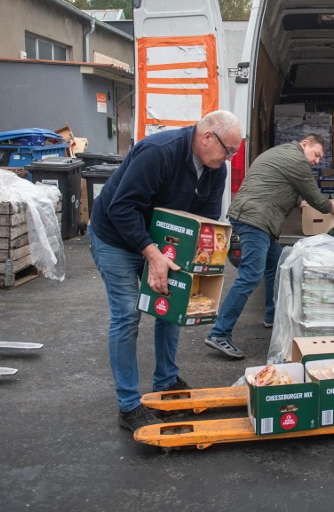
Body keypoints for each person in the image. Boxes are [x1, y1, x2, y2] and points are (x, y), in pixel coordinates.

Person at [88, 110, 242, 432]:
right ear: (207, 138)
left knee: (173, 304)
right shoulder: (159, 152)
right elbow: (120, 207)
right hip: (114, 237)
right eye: (228, 150)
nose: (229, 158)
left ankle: (167, 382)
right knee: (128, 314)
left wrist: (197, 264)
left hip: (158, 240)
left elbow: (204, 222)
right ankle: (129, 406)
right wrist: (152, 253)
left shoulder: (215, 168)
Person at [204, 134, 334, 359]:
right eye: (316, 155)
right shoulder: (297, 161)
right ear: (305, 143)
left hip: (253, 215)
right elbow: (317, 199)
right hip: (256, 219)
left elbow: (274, 182)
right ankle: (219, 333)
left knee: (277, 263)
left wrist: (298, 201)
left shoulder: (281, 153)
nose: (316, 161)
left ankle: (271, 315)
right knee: (250, 275)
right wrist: (331, 207)